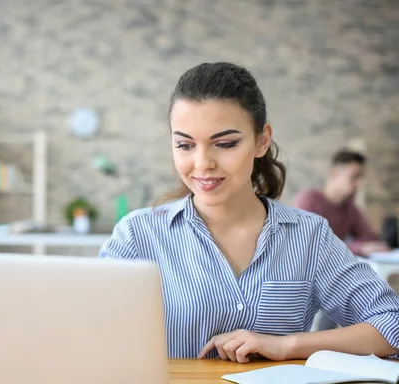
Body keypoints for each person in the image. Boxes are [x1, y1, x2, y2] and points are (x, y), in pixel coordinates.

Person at [99, 62, 399, 363]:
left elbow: (392, 325)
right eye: (185, 144)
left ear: (261, 141)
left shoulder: (309, 236)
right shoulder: (137, 236)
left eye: (225, 143)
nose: (202, 163)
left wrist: (288, 345)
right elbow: (88, 333)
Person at [293, 150, 390, 257]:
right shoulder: (308, 200)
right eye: (354, 177)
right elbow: (310, 243)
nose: (360, 184)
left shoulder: (349, 207)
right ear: (335, 174)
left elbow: (369, 238)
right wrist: (360, 248)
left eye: (361, 178)